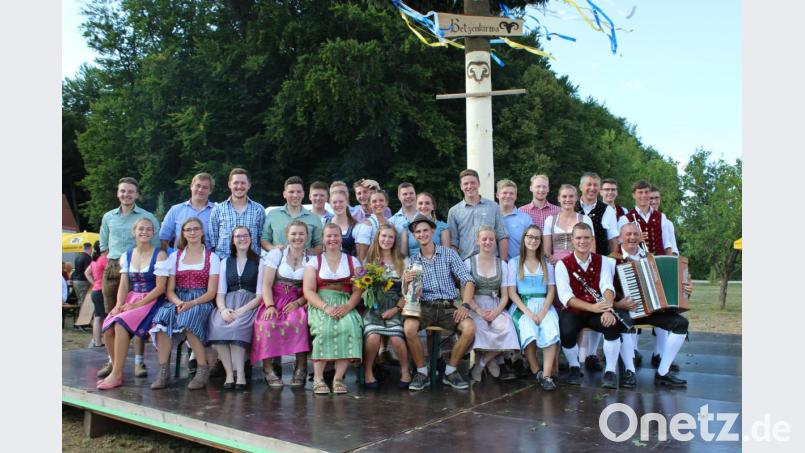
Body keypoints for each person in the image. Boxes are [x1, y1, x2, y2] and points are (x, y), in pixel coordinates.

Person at [611, 222, 691, 387]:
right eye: (628, 234)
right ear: (620, 237)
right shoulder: (611, 259)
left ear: (640, 237)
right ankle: (629, 371)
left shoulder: (650, 258)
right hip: (625, 310)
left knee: (681, 323)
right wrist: (618, 304)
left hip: (652, 309)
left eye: (635, 234)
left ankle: (663, 372)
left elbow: (671, 283)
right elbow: (603, 289)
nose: (632, 237)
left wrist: (686, 287)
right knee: (624, 323)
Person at [403, 214, 476, 391]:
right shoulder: (412, 261)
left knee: (469, 328)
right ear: (414, 236)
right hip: (425, 306)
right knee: (409, 328)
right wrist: (406, 283)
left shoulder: (448, 253)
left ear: (433, 231)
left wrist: (465, 304)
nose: (422, 234)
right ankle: (422, 372)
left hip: (448, 306)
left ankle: (450, 371)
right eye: (418, 232)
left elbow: (468, 280)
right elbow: (408, 295)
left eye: (425, 230)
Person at [99, 176, 161, 378]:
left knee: (135, 318)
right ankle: (113, 361)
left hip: (140, 268)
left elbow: (156, 244)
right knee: (113, 315)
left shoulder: (147, 217)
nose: (126, 194)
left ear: (136, 194)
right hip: (115, 266)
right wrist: (111, 263)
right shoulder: (109, 216)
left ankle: (138, 362)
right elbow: (104, 245)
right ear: (118, 193)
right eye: (123, 191)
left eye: (130, 191)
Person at [96, 218, 168, 390]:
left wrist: (137, 305)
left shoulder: (160, 254)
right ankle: (116, 369)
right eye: (141, 229)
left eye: (149, 229)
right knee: (108, 327)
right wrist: (118, 304)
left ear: (153, 233)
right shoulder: (127, 255)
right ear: (134, 231)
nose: (145, 232)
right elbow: (124, 284)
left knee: (120, 325)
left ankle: (116, 375)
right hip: (132, 299)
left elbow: (160, 287)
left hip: (152, 301)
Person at [149, 217, 221, 390]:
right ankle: (163, 371)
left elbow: (211, 292)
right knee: (161, 319)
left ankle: (202, 369)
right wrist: (180, 302)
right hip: (178, 298)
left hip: (201, 300)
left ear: (202, 232)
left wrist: (192, 303)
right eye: (188, 229)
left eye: (196, 229)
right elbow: (169, 290)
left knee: (189, 319)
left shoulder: (212, 257)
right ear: (183, 233)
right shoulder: (175, 257)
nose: (192, 232)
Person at [554, 223, 628, 389]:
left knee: (612, 324)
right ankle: (574, 366)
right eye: (578, 238)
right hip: (575, 310)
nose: (582, 241)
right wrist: (593, 308)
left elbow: (607, 287)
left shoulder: (603, 261)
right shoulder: (562, 264)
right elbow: (566, 297)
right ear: (572, 240)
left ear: (592, 239)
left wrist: (608, 309)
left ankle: (610, 371)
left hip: (598, 308)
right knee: (566, 330)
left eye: (586, 237)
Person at [303, 224, 365, 395]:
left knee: (350, 326)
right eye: (329, 236)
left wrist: (348, 307)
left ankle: (338, 378)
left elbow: (358, 290)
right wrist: (326, 307)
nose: (332, 239)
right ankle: (318, 378)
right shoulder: (314, 262)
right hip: (321, 302)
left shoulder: (353, 261)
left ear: (341, 238)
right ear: (323, 239)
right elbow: (308, 290)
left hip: (345, 302)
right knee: (323, 329)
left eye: (336, 235)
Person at [252, 221, 311, 388]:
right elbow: (266, 284)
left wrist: (299, 302)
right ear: (287, 236)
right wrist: (270, 306)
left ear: (306, 236)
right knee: (266, 323)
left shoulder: (311, 259)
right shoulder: (277, 254)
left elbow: (312, 288)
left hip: (298, 300)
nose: (297, 237)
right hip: (275, 299)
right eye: (293, 234)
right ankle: (268, 368)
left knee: (299, 322)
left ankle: (301, 367)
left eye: (301, 234)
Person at [505, 225, 561, 391]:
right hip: (523, 305)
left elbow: (551, 290)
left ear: (540, 241)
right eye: (530, 237)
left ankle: (547, 375)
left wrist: (543, 311)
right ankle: (536, 370)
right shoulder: (514, 263)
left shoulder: (546, 264)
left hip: (544, 305)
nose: (533, 240)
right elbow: (511, 292)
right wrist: (529, 312)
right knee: (528, 329)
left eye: (537, 238)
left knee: (550, 328)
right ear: (524, 238)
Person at [208, 226, 263, 390]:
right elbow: (220, 292)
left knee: (238, 327)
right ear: (232, 240)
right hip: (228, 302)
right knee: (218, 325)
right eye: (238, 236)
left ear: (251, 238)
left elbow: (260, 295)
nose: (242, 239)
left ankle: (240, 375)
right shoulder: (225, 262)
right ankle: (229, 375)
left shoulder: (260, 261)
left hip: (250, 303)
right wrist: (223, 309)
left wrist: (240, 311)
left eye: (245, 236)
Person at [465, 226, 520, 382]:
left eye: (491, 239)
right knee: (479, 328)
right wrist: (478, 310)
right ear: (477, 241)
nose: (487, 242)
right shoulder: (468, 263)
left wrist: (496, 312)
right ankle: (489, 360)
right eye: (484, 239)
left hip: (496, 304)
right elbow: (465, 295)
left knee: (507, 327)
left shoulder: (502, 264)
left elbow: (505, 296)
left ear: (495, 242)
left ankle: (482, 363)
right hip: (475, 304)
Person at [361, 224, 412, 388]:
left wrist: (396, 308)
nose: (386, 240)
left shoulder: (403, 261)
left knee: (397, 339)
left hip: (396, 306)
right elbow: (362, 288)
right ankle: (368, 371)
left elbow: (409, 292)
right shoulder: (369, 261)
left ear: (395, 240)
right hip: (374, 306)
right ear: (377, 238)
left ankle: (405, 370)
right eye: (383, 236)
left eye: (390, 237)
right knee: (373, 337)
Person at [447, 169, 508, 260]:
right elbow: (453, 242)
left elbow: (502, 236)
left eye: (473, 183)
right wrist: (456, 266)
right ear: (461, 186)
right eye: (466, 184)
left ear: (478, 184)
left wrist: (503, 264)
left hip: (491, 262)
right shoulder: (454, 211)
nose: (469, 186)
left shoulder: (493, 207)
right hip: (465, 263)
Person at [208, 168, 265, 259]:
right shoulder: (218, 209)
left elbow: (261, 238)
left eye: (243, 183)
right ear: (229, 184)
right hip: (224, 261)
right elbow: (213, 240)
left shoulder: (258, 209)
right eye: (236, 183)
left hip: (252, 262)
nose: (239, 186)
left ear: (249, 185)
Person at [261, 176, 322, 255]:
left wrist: (309, 253)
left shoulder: (314, 218)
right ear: (284, 194)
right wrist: (273, 249)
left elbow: (320, 244)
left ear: (303, 194)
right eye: (291, 192)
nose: (295, 195)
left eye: (299, 192)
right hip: (277, 264)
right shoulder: (272, 214)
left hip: (304, 264)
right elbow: (264, 239)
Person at [617, 180, 675, 256]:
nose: (644, 195)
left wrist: (669, 264)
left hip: (660, 262)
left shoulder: (661, 216)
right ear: (634, 195)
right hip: (637, 262)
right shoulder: (625, 219)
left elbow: (667, 244)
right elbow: (619, 243)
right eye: (640, 192)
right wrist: (635, 239)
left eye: (646, 192)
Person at [159, 173, 215, 250]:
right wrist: (167, 255)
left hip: (208, 259)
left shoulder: (217, 211)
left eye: (205, 187)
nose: (200, 190)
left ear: (210, 191)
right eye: (198, 186)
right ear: (191, 186)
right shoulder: (175, 210)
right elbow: (164, 237)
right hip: (179, 259)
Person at [543, 184, 595, 265]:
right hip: (556, 265)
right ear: (559, 199)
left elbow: (592, 248)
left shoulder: (585, 219)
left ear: (576, 198)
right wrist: (555, 262)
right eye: (564, 196)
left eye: (571, 196)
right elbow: (546, 251)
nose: (568, 199)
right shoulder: (550, 220)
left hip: (580, 264)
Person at [575, 172, 620, 255]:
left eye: (595, 185)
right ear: (581, 187)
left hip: (600, 261)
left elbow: (613, 241)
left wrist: (612, 261)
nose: (592, 188)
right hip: (574, 261)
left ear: (599, 188)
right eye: (589, 184)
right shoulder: (572, 208)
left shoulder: (608, 210)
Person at [400, 192, 450, 258]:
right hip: (413, 266)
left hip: (437, 266)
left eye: (427, 203)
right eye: (420, 203)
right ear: (416, 206)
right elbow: (403, 256)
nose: (423, 206)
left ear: (433, 207)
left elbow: (447, 255)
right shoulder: (407, 227)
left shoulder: (443, 227)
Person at [497, 179, 533, 260]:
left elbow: (532, 244)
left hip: (518, 266)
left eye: (511, 193)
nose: (508, 196)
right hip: (495, 267)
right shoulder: (491, 217)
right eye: (504, 193)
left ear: (516, 196)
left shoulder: (526, 219)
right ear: (497, 195)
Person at [356, 190, 392, 262]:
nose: (378, 203)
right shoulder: (367, 225)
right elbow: (362, 256)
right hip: (373, 267)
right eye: (374, 201)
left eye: (381, 200)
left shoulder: (390, 223)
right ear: (370, 205)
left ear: (386, 203)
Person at [84, 241, 108, 348]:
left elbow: (87, 273)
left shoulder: (94, 260)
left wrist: (94, 283)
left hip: (95, 291)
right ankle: (97, 342)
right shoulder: (103, 259)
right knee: (100, 317)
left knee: (98, 317)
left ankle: (96, 341)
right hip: (101, 291)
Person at [329, 190, 361, 257]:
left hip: (350, 265)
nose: (338, 205)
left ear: (346, 202)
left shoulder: (356, 226)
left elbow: (360, 255)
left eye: (341, 201)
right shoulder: (324, 223)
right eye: (334, 202)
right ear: (330, 204)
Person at [648, 186, 679, 255]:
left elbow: (673, 247)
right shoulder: (638, 219)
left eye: (656, 198)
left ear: (660, 199)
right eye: (651, 198)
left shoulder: (668, 223)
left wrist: (672, 261)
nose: (654, 201)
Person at [72, 242, 93, 315]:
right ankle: (81, 322)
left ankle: (79, 321)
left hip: (76, 281)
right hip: (83, 281)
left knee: (80, 301)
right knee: (83, 302)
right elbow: (88, 271)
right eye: (91, 249)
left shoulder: (77, 257)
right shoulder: (87, 257)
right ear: (90, 248)